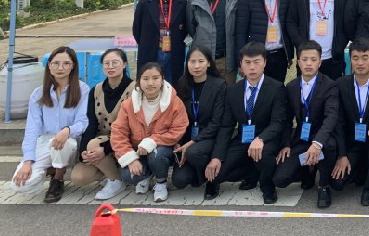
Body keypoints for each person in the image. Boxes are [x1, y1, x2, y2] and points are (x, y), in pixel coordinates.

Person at [212, 42, 287, 203]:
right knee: (219, 173)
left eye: (256, 62)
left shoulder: (276, 88)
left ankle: (267, 186)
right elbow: (227, 126)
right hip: (243, 138)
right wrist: (216, 156)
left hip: (265, 140)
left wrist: (261, 138)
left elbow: (278, 122)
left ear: (265, 62)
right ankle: (251, 173)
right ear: (241, 64)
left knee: (264, 156)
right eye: (247, 62)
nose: (252, 67)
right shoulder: (232, 90)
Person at [11, 46, 89, 203]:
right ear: (49, 65)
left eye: (66, 63)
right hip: (45, 141)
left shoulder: (83, 90)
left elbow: (84, 121)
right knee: (20, 185)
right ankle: (50, 168)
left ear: (73, 66)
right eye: (56, 63)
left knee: (60, 144)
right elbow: (32, 129)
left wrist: (67, 130)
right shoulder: (38, 94)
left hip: (71, 142)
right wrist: (28, 161)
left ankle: (58, 179)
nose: (60, 68)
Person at [274, 40, 340, 208]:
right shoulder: (291, 86)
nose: (309, 63)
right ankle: (309, 169)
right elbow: (286, 119)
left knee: (328, 146)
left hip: (322, 138)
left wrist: (317, 144)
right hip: (301, 138)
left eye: (313, 59)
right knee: (280, 180)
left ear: (320, 62)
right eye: (305, 59)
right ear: (298, 62)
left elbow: (331, 117)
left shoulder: (330, 85)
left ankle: (324, 185)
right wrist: (285, 144)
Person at [111, 62, 189, 203]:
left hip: (164, 151)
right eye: (145, 78)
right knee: (129, 176)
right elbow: (118, 133)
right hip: (138, 152)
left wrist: (152, 141)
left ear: (162, 79)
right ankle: (146, 175)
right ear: (139, 81)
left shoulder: (174, 102)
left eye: (155, 78)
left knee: (157, 155)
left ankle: (161, 182)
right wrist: (131, 159)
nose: (150, 83)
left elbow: (178, 129)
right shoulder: (128, 105)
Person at [330, 38, 369, 205]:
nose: (360, 63)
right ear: (350, 60)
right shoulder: (340, 84)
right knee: (336, 184)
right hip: (352, 144)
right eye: (355, 58)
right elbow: (338, 122)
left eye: (365, 58)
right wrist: (342, 155)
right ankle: (361, 171)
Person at [71, 48, 135, 200]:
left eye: (115, 62)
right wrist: (84, 151)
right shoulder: (96, 90)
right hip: (100, 143)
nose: (110, 66)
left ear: (124, 64)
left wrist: (104, 149)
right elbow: (91, 123)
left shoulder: (134, 89)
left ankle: (116, 180)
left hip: (126, 141)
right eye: (106, 63)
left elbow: (133, 127)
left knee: (94, 145)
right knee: (78, 177)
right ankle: (110, 172)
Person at [172, 46, 227, 199]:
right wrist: (177, 142)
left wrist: (191, 143)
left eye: (201, 61)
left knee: (193, 152)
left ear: (208, 63)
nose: (196, 66)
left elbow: (216, 122)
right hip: (187, 137)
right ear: (187, 64)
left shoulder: (219, 85)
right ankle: (201, 174)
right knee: (179, 181)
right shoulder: (182, 84)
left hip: (209, 137)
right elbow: (176, 118)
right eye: (192, 62)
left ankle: (213, 180)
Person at [287, 0, 350, 80]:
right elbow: (291, 22)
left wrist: (340, 45)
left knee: (332, 90)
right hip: (308, 58)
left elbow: (348, 22)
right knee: (307, 90)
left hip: (333, 58)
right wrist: (301, 44)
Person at [235, 0, 292, 83]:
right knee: (257, 90)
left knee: (277, 89)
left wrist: (289, 55)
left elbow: (288, 27)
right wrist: (240, 61)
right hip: (256, 56)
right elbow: (240, 32)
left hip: (280, 55)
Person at [188, 0, 241, 84]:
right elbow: (191, 28)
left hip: (227, 60)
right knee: (204, 93)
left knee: (228, 94)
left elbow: (239, 29)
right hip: (203, 60)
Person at [133, 0, 188, 84]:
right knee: (150, 85)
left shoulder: (183, 4)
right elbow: (136, 31)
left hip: (174, 53)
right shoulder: (144, 4)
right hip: (151, 52)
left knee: (172, 86)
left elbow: (185, 30)